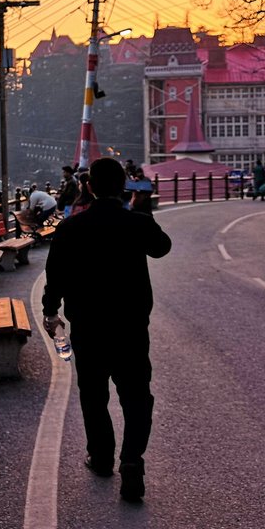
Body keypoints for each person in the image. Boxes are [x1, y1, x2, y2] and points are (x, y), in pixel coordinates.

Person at [41, 158, 172, 502]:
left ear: (89, 187)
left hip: (89, 326)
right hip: (131, 327)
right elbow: (162, 247)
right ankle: (131, 461)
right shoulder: (137, 224)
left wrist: (49, 310)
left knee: (94, 395)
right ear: (125, 187)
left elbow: (55, 275)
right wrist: (143, 211)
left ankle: (101, 458)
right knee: (136, 396)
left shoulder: (71, 228)